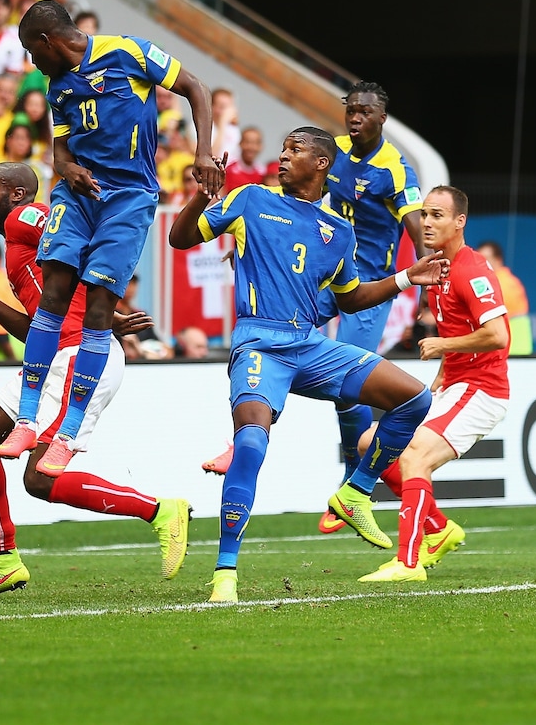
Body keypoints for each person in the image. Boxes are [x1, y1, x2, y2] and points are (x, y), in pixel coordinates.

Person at [169, 127, 446, 602]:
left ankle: (355, 491)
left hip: (309, 346)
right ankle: (225, 574)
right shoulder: (250, 199)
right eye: (283, 148)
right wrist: (200, 197)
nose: (282, 156)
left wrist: (404, 277)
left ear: (322, 164)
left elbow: (353, 298)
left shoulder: (338, 231)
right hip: (260, 343)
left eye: (294, 150)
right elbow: (178, 238)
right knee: (252, 442)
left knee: (415, 398)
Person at [0, 1, 221, 477]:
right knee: (53, 291)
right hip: (79, 195)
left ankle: (69, 433)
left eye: (31, 53)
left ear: (47, 42)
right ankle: (26, 419)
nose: (32, 65)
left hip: (129, 199)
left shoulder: (128, 53)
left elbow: (195, 88)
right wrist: (67, 167)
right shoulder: (57, 86)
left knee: (99, 305)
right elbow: (59, 150)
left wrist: (202, 152)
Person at [0, 162, 190, 597]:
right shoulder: (16, 248)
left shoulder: (24, 218)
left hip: (83, 356)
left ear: (16, 195)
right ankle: (3, 559)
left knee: (39, 479)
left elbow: (71, 237)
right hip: (53, 356)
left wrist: (103, 312)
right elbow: (34, 330)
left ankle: (160, 511)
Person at [293, 82, 423, 531]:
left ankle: (354, 482)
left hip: (369, 288)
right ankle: (244, 438)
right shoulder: (335, 153)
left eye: (364, 112)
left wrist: (427, 283)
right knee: (275, 333)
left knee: (350, 386)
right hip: (329, 273)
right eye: (350, 110)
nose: (355, 117)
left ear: (382, 118)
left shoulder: (395, 169)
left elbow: (414, 226)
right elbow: (296, 190)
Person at [358, 186, 503, 583]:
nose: (427, 222)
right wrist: (443, 371)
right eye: (424, 214)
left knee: (414, 456)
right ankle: (437, 530)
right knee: (371, 443)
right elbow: (460, 326)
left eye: (438, 215)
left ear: (460, 223)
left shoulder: (471, 269)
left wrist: (444, 345)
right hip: (455, 384)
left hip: (482, 389)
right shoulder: (435, 268)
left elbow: (498, 335)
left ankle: (408, 564)